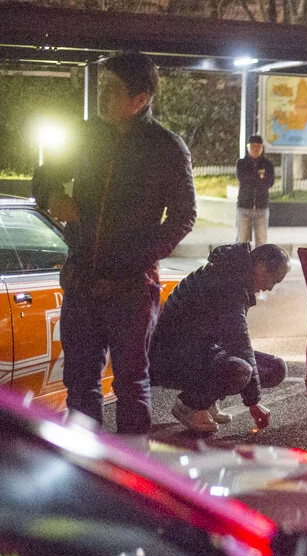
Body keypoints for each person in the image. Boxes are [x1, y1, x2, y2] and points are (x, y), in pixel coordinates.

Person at [52, 51, 196, 436]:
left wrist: (138, 257)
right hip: (81, 283)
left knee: (131, 384)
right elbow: (46, 174)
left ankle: (131, 468)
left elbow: (184, 217)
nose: (102, 96)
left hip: (131, 290)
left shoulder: (165, 147)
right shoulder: (84, 136)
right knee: (80, 382)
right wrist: (52, 196)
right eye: (102, 86)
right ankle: (85, 464)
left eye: (113, 89)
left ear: (140, 99)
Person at [150, 243, 289, 434]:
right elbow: (239, 344)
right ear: (261, 267)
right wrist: (253, 402)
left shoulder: (234, 275)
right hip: (170, 357)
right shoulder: (228, 284)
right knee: (239, 370)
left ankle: (206, 401)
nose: (270, 288)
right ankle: (190, 405)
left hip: (199, 350)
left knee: (275, 368)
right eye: (274, 280)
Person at [236, 134, 275, 247]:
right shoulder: (241, 163)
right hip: (244, 208)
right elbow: (244, 180)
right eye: (253, 146)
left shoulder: (268, 165)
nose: (255, 149)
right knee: (242, 242)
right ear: (248, 147)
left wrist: (256, 179)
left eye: (258, 146)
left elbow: (270, 182)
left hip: (261, 208)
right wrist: (259, 178)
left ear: (262, 148)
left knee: (261, 243)